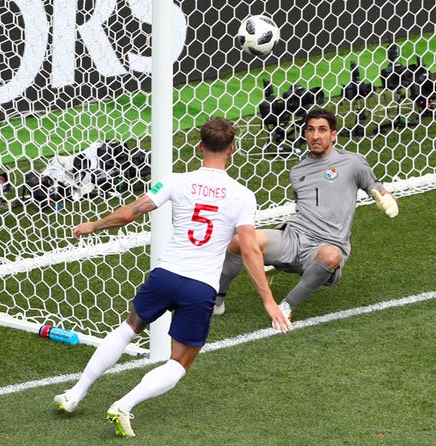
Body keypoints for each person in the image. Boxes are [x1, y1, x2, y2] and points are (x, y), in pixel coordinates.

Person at [53, 118, 291, 438]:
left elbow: (130, 213)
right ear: (232, 149)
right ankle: (124, 404)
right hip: (200, 287)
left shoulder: (176, 181)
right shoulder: (242, 195)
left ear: (200, 147)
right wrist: (269, 301)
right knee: (179, 362)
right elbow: (249, 250)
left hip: (165, 275)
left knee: (129, 327)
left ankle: (74, 394)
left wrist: (92, 225)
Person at [213, 108, 398, 323]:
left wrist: (386, 199)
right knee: (239, 241)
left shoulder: (352, 163)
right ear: (305, 134)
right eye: (310, 130)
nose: (316, 136)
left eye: (322, 130)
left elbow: (374, 185)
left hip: (327, 244)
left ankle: (286, 305)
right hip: (294, 237)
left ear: (333, 134)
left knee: (331, 256)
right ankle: (217, 301)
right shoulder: (298, 171)